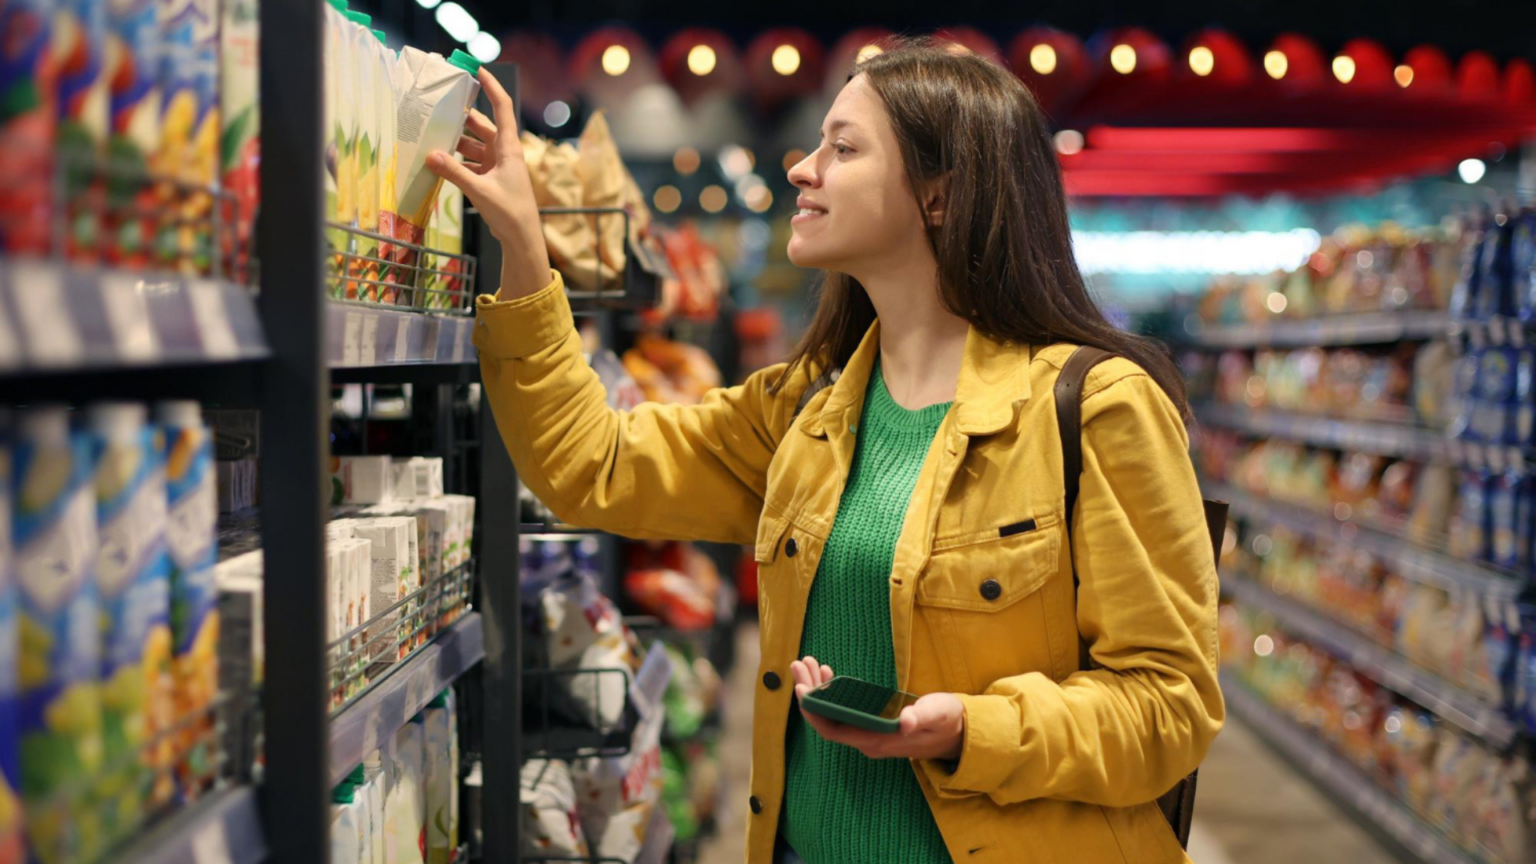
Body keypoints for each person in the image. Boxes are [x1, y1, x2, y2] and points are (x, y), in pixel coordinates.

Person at [431, 37, 1222, 864]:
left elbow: (1168, 710)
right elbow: (592, 465)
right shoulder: (807, 407)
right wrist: (523, 250)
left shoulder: (1096, 410)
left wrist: (969, 728)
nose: (803, 170)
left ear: (940, 195)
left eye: (842, 148)